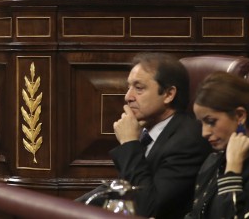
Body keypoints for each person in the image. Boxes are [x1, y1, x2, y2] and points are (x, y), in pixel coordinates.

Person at [87, 53, 211, 219]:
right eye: (129, 87)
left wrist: (129, 143)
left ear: (168, 94)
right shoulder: (150, 131)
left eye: (139, 88)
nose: (128, 97)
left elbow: (146, 208)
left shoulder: (188, 140)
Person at [186, 72, 249, 218]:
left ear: (239, 116)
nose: (204, 133)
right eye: (201, 123)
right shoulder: (213, 159)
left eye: (211, 121)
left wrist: (232, 169)